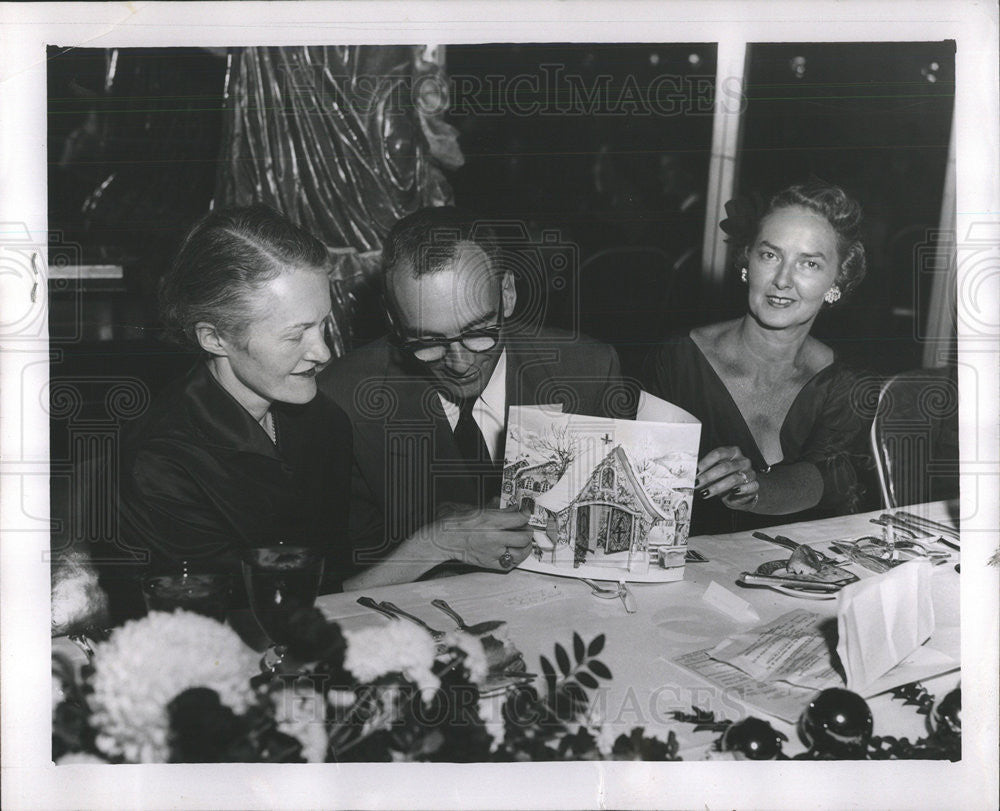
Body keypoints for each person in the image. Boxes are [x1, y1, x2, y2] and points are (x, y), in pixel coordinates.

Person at [319, 206, 633, 587]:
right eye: (427, 341)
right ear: (392, 320)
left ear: (508, 294)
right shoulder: (344, 397)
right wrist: (440, 542)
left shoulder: (588, 372)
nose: (460, 362)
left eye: (478, 331)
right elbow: (338, 583)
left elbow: (618, 538)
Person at [113, 204, 352, 616]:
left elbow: (341, 572)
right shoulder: (160, 462)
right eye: (296, 335)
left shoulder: (323, 421)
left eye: (323, 324)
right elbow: (251, 617)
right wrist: (427, 548)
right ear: (214, 338)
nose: (324, 352)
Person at [642, 182, 869, 535]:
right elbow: (645, 487)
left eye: (808, 263)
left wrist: (756, 488)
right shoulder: (679, 360)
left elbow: (822, 476)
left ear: (837, 281)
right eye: (770, 255)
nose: (782, 280)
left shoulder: (842, 382)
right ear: (747, 261)